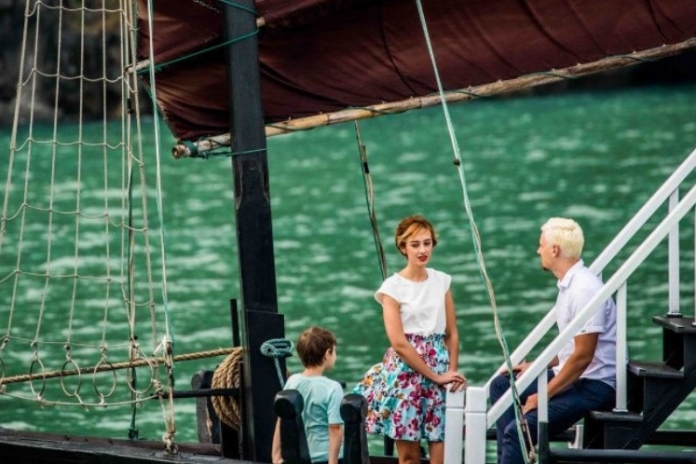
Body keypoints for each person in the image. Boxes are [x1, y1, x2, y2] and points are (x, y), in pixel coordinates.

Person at [489, 217, 617, 464]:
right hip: (574, 377)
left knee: (517, 431)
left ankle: (517, 448)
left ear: (555, 250)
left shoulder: (584, 289)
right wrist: (537, 366)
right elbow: (572, 348)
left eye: (541, 245)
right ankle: (515, 456)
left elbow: (583, 357)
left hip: (593, 384)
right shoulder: (569, 286)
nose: (539, 251)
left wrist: (543, 395)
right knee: (502, 386)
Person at [353, 214, 466, 464]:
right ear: (403, 247)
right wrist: (436, 376)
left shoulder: (442, 281)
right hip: (405, 373)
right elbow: (399, 343)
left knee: (443, 452)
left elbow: (452, 333)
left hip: (439, 367)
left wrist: (451, 373)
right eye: (415, 244)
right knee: (409, 457)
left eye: (427, 243)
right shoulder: (392, 288)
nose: (423, 250)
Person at [272, 327, 344, 464]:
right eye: (334, 351)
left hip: (298, 456)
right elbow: (335, 429)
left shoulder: (292, 381)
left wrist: (276, 457)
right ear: (327, 353)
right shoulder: (333, 388)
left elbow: (281, 420)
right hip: (326, 458)